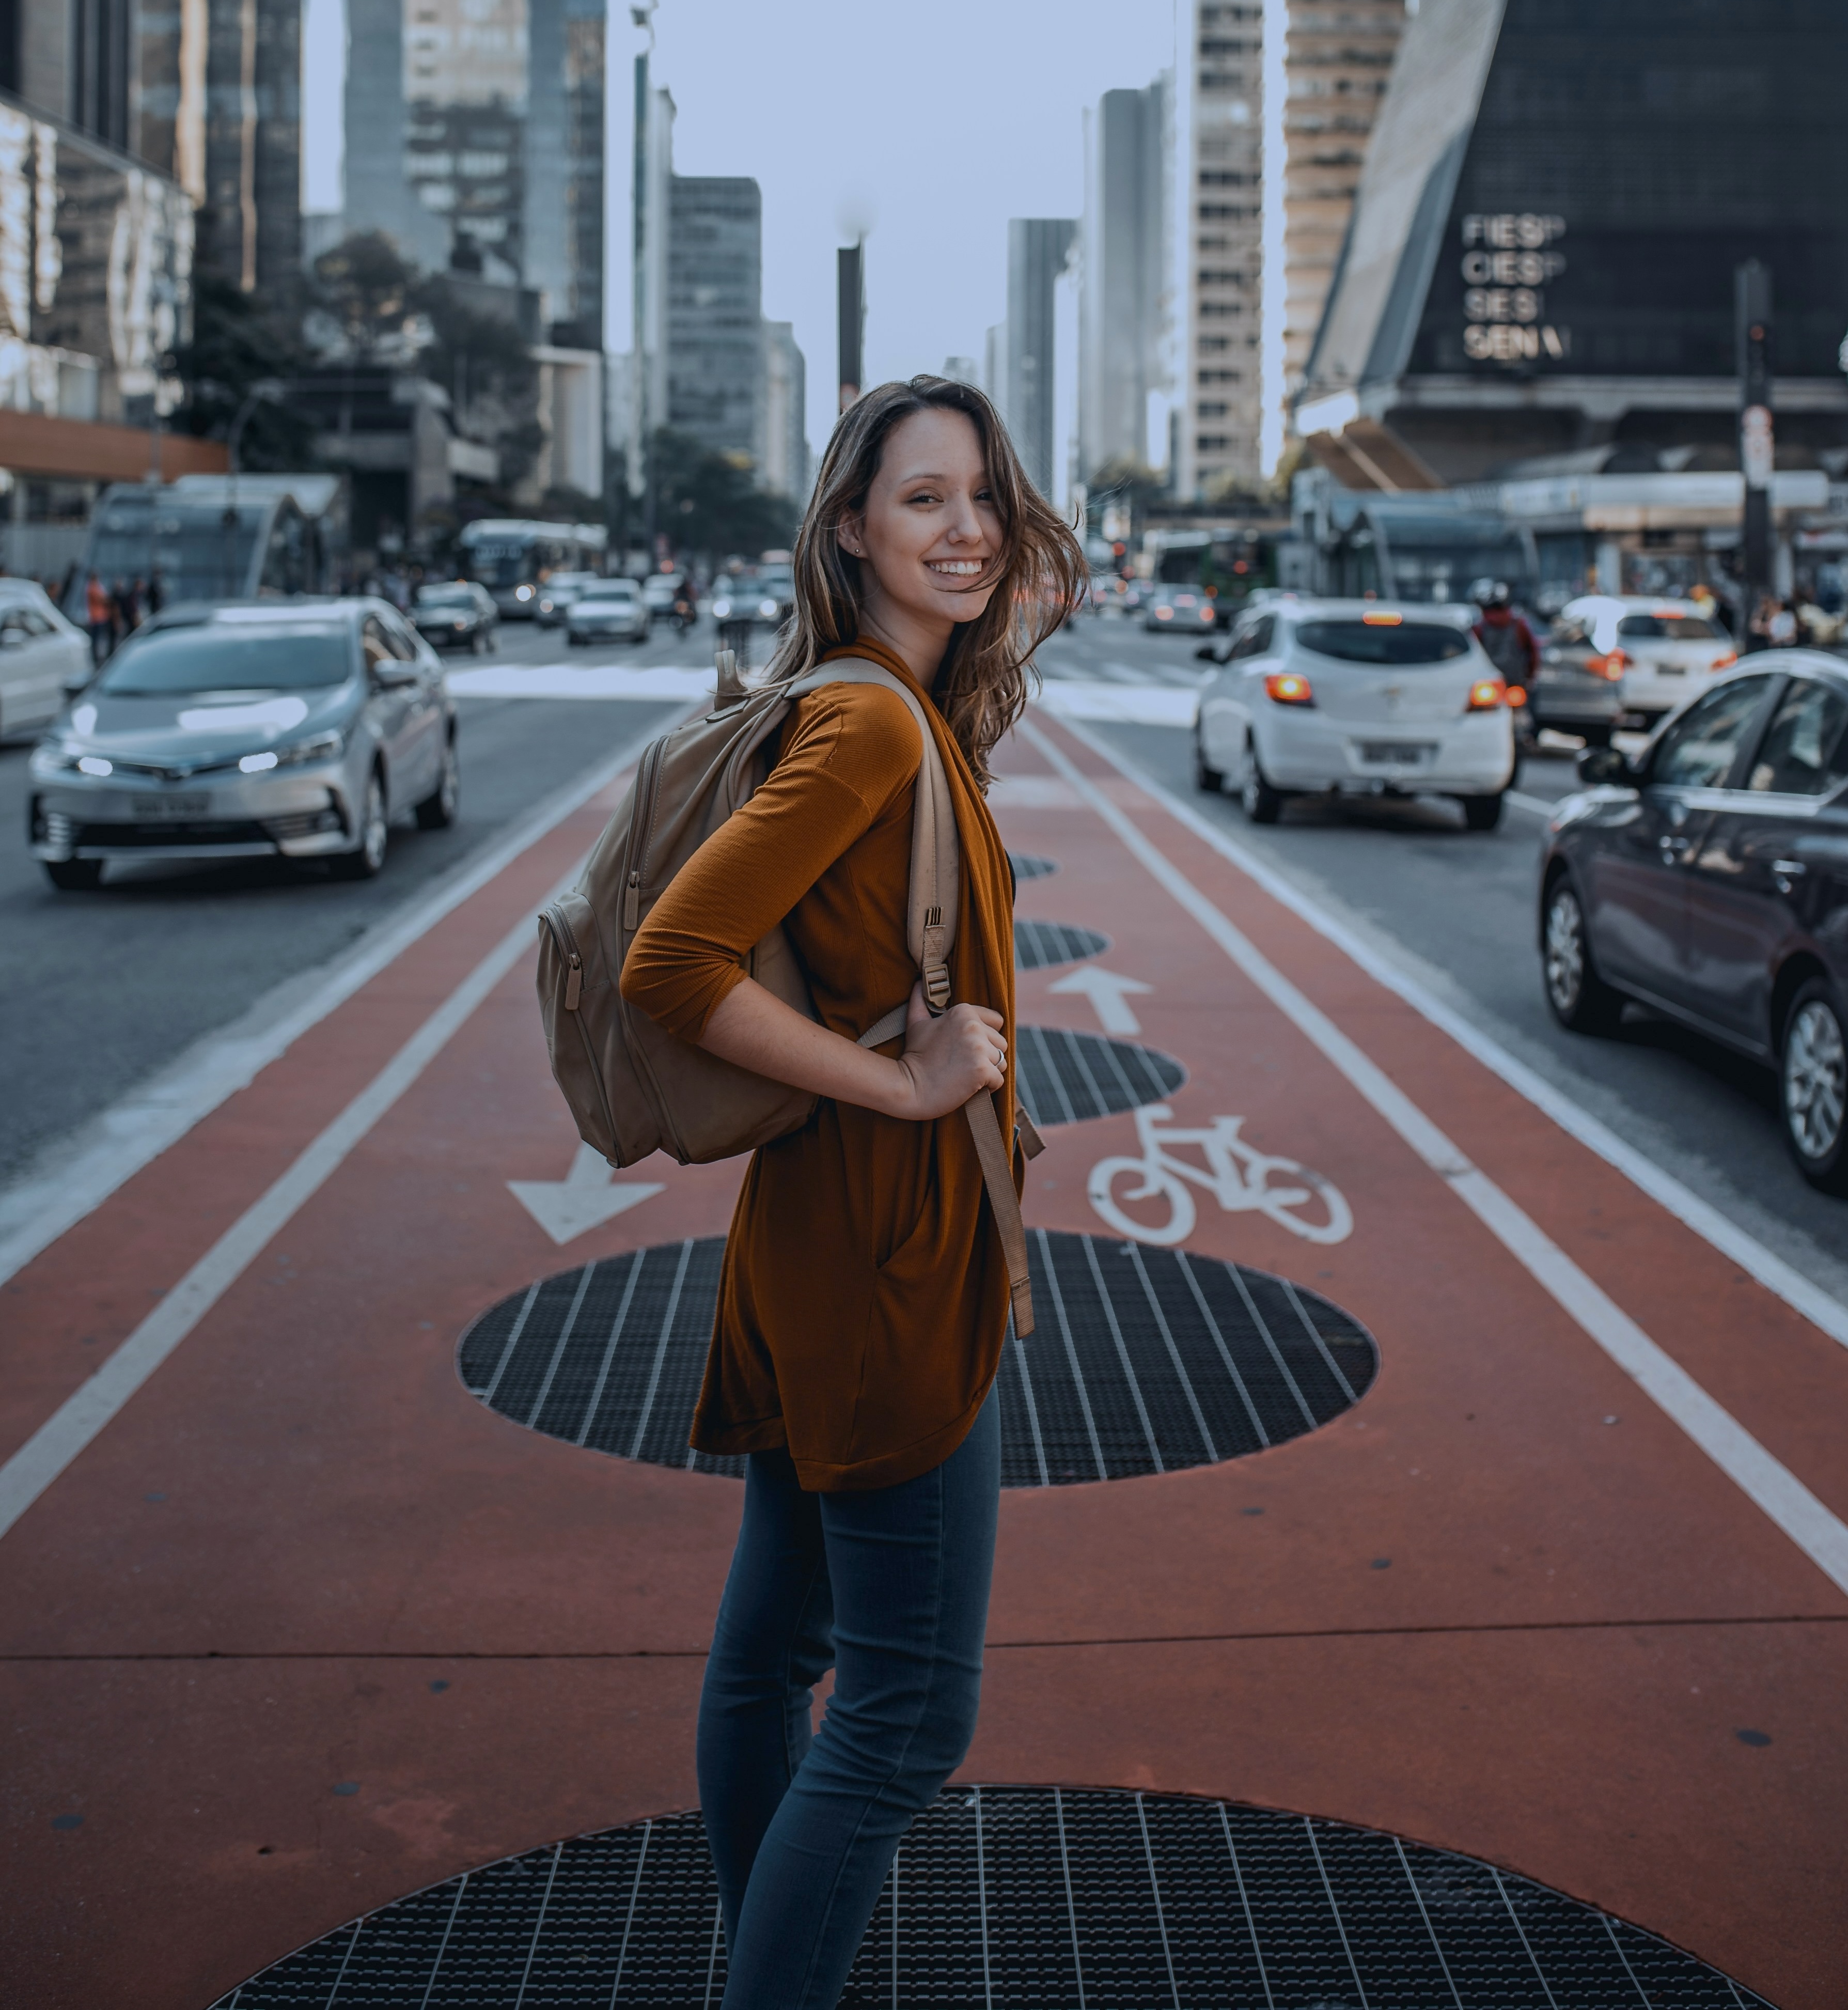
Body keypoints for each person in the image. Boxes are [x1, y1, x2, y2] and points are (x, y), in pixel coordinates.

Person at [621, 377, 1085, 2008]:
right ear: (849, 532)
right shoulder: (874, 721)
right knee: (903, 1718)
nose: (966, 529)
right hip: (891, 1257)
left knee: (775, 1659)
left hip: (817, 1240)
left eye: (983, 496)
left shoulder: (886, 705)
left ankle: (764, 1963)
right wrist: (906, 1081)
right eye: (921, 499)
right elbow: (673, 960)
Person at [1470, 578, 1538, 687]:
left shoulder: (1479, 628)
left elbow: (1471, 656)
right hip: (1516, 682)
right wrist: (1530, 676)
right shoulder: (1519, 625)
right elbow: (1533, 652)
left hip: (1487, 684)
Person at [85, 572, 113, 663]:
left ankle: (97, 657)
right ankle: (96, 658)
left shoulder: (95, 587)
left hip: (99, 616)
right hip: (97, 617)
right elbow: (103, 599)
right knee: (96, 639)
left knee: (98, 638)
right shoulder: (93, 588)